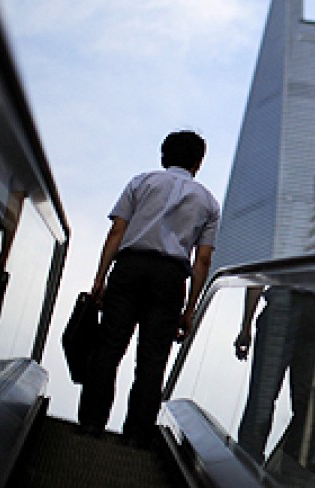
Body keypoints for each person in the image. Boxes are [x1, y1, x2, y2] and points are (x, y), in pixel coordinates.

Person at [77, 130, 220, 446]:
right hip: (170, 278)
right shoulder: (208, 202)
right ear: (199, 163)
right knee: (153, 359)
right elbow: (204, 259)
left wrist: (100, 279)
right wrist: (190, 309)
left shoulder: (141, 182)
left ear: (163, 156)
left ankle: (90, 424)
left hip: (130, 267)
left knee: (108, 348)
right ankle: (136, 435)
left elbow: (117, 231)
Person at [233, 282, 315, 465]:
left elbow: (257, 276)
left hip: (282, 303)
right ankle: (289, 473)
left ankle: (244, 470)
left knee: (261, 400)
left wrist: (246, 326)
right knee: (308, 409)